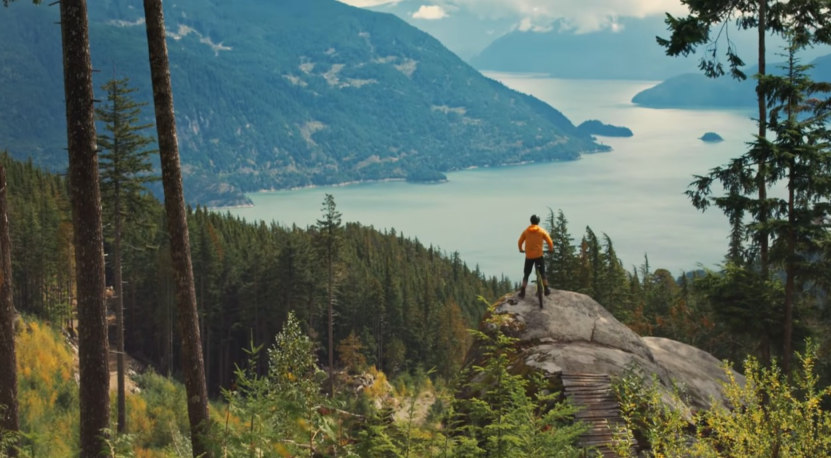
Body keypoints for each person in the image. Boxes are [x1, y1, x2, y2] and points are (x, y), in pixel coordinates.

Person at [517, 214, 553, 298]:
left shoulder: (526, 231)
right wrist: (551, 249)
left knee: (526, 274)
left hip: (529, 256)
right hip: (538, 256)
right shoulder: (541, 231)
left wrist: (521, 249)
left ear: (531, 221)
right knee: (542, 272)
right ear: (538, 222)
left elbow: (519, 242)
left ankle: (522, 292)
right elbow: (550, 241)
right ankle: (546, 289)